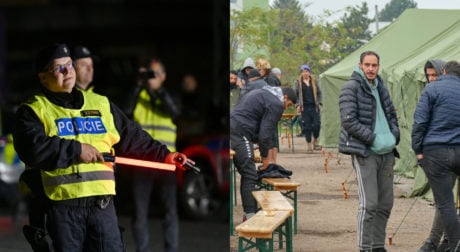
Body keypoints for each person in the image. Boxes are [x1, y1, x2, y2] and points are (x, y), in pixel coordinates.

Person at [12, 43, 192, 252]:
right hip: (61, 210)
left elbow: (134, 137)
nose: (67, 71)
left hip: (102, 209)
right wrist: (77, 150)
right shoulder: (33, 111)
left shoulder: (101, 104)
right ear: (43, 77)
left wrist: (166, 156)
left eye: (69, 64)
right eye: (58, 68)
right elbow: (34, 149)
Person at [338, 51, 400, 252]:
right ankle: (365, 248)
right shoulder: (350, 87)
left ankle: (378, 246)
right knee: (369, 204)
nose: (371, 69)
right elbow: (348, 121)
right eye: (367, 65)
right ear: (360, 65)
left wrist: (393, 135)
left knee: (385, 204)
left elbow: (391, 114)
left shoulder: (381, 87)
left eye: (374, 65)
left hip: (387, 153)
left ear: (378, 67)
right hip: (366, 152)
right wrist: (373, 139)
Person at [124, 58, 181, 252]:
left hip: (166, 162)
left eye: (154, 73)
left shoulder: (169, 95)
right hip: (141, 162)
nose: (151, 77)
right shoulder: (138, 95)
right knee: (139, 213)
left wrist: (159, 91)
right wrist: (137, 85)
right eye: (148, 73)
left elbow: (175, 112)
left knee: (170, 212)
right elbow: (125, 113)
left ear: (163, 77)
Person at [412, 60, 460, 252]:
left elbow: (420, 123)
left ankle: (455, 243)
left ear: (444, 71)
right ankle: (447, 243)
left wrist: (418, 151)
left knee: (445, 204)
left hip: (436, 152)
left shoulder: (431, 90)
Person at [230, 85, 297, 220]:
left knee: (249, 171)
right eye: (288, 104)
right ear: (285, 97)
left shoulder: (263, 91)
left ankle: (250, 213)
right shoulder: (276, 103)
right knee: (250, 174)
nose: (286, 107)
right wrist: (265, 158)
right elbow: (265, 135)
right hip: (239, 132)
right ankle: (250, 216)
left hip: (235, 127)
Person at [417, 59, 450, 252]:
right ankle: (438, 240)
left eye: (434, 75)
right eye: (428, 76)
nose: (431, 79)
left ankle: (438, 240)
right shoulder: (428, 95)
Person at [294, 64, 322, 153]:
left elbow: (319, 93)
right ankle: (309, 145)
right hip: (304, 107)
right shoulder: (298, 82)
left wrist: (320, 102)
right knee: (307, 127)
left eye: (306, 71)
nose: (305, 73)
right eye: (303, 72)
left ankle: (315, 140)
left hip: (314, 106)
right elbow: (295, 95)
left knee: (317, 125)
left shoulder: (314, 81)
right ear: (301, 73)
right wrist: (297, 105)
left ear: (309, 72)